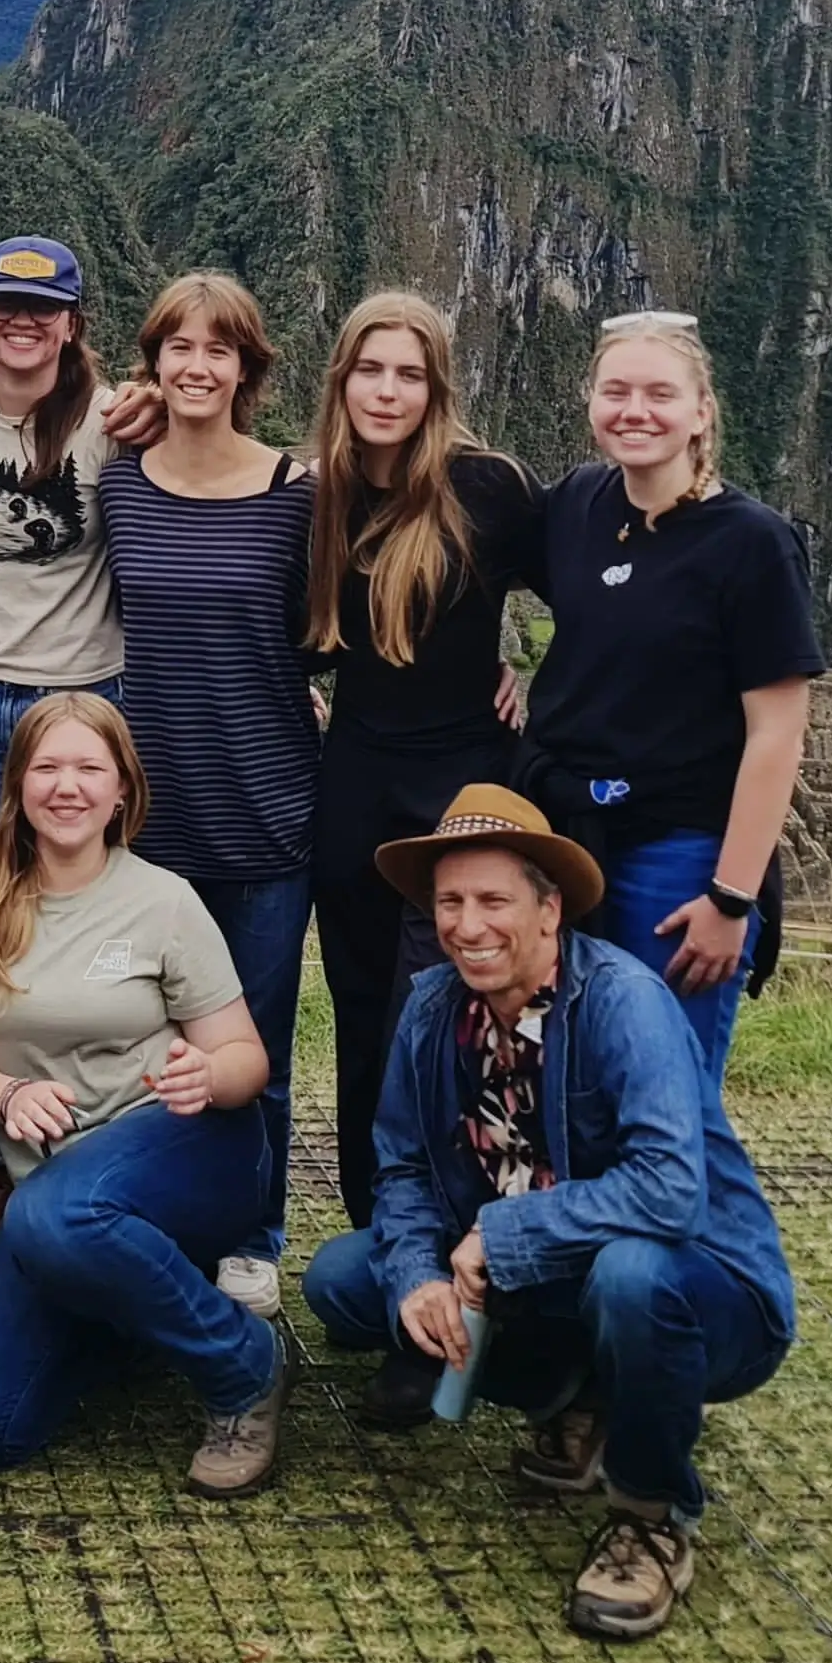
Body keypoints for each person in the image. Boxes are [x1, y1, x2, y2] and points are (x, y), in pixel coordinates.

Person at [303, 785, 794, 1644]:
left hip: (708, 1289)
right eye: (450, 903)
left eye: (493, 901)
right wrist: (417, 1277)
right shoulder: (431, 1007)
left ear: (549, 909)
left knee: (632, 1278)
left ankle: (650, 1515)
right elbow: (404, 1165)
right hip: (544, 1278)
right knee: (346, 1280)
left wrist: (503, 1233)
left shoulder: (624, 1002)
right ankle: (583, 1396)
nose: (468, 926)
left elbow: (670, 1189)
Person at [0, 695, 286, 1495]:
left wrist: (207, 1074)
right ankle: (123, 1311)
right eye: (47, 767)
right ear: (17, 784)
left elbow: (246, 1059)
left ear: (121, 791)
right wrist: (8, 1094)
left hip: (188, 1146)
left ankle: (243, 1365)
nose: (67, 786)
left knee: (53, 1215)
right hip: (54, 1186)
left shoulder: (164, 899)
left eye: (89, 768)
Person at [519, 312, 822, 1097]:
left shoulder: (751, 543)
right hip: (568, 843)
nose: (635, 412)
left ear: (701, 410)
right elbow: (466, 548)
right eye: (616, 392)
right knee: (575, 1086)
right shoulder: (578, 504)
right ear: (590, 401)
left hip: (679, 856)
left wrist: (730, 898)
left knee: (666, 1099)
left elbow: (777, 732)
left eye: (660, 394)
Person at [97, 271, 317, 1306]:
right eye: (177, 348)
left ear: (246, 369)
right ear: (153, 364)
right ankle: (158, 1214)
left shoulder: (295, 493)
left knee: (254, 1040)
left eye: (217, 349)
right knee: (150, 1037)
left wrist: (494, 664)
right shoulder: (121, 484)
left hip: (267, 804)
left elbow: (348, 622)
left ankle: (253, 1233)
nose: (196, 366)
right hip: (149, 815)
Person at [302, 293, 543, 1227]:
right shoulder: (318, 495)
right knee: (363, 1018)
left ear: (437, 388)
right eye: (370, 370)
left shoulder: (490, 489)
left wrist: (539, 687)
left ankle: (459, 1218)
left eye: (409, 374)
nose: (387, 392)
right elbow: (290, 635)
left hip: (463, 787)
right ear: (342, 381)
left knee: (440, 1016)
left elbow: (594, 601)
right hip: (356, 785)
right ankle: (377, 1229)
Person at [0, 235, 124, 860]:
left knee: (78, 884)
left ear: (71, 324)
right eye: (4, 304)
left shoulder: (111, 424)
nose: (22, 321)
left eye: (44, 307)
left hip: (79, 694)